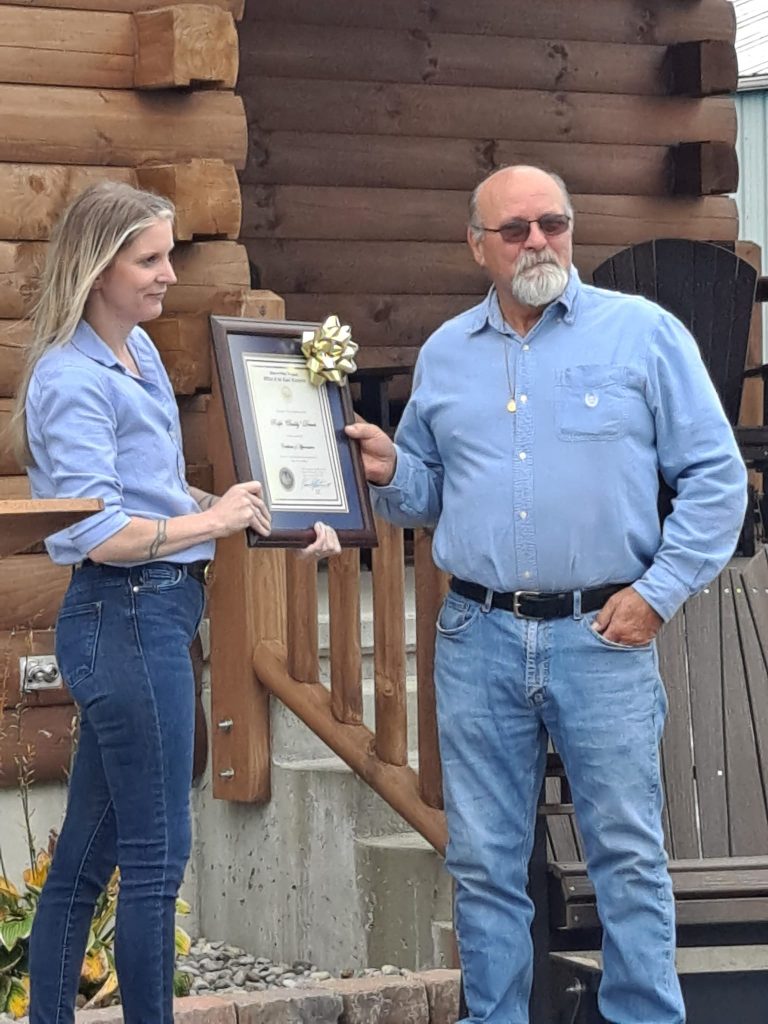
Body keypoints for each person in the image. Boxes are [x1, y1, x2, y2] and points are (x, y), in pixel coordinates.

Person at [346, 165, 747, 1024]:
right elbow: (426, 493)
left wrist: (659, 593)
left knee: (626, 857)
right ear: (476, 246)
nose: (538, 243)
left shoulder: (644, 334)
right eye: (515, 230)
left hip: (602, 633)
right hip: (478, 633)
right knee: (484, 863)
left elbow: (717, 481)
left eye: (553, 224)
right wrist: (387, 470)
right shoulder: (446, 352)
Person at [9, 181, 340, 1024]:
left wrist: (270, 513)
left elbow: (155, 496)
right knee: (157, 859)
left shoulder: (141, 355)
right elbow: (100, 532)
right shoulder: (71, 380)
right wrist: (214, 520)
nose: (167, 275)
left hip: (153, 614)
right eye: (149, 260)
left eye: (168, 256)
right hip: (122, 612)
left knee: (87, 860)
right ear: (98, 269)